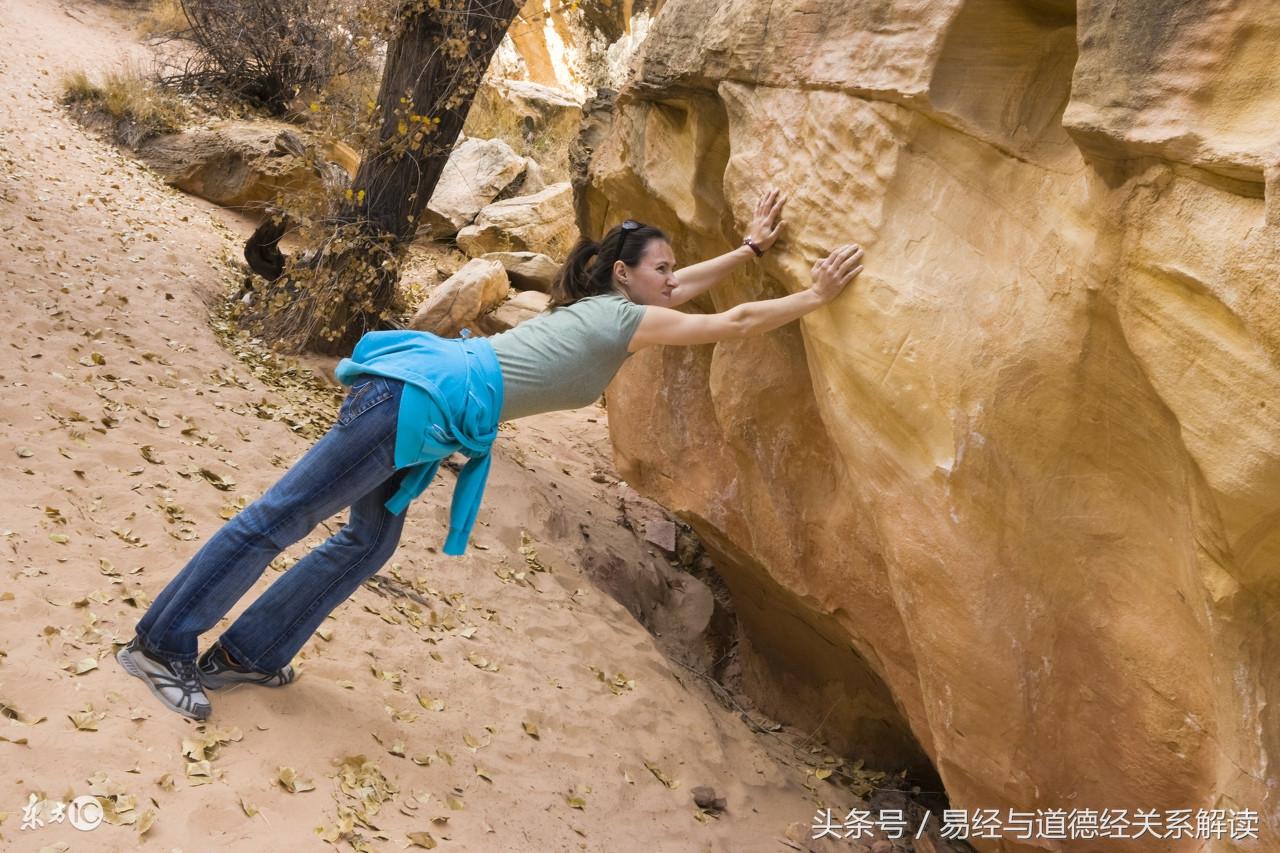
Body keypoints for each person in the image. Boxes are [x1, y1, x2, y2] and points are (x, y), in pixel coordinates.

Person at [115, 188, 865, 720]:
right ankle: (160, 644)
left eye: (672, 268)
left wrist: (754, 247)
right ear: (624, 276)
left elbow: (694, 286)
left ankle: (249, 651)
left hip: (431, 411)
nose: (672, 278)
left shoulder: (619, 306)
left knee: (366, 541)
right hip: (415, 401)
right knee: (279, 518)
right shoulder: (622, 320)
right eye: (661, 268)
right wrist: (815, 296)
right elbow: (731, 319)